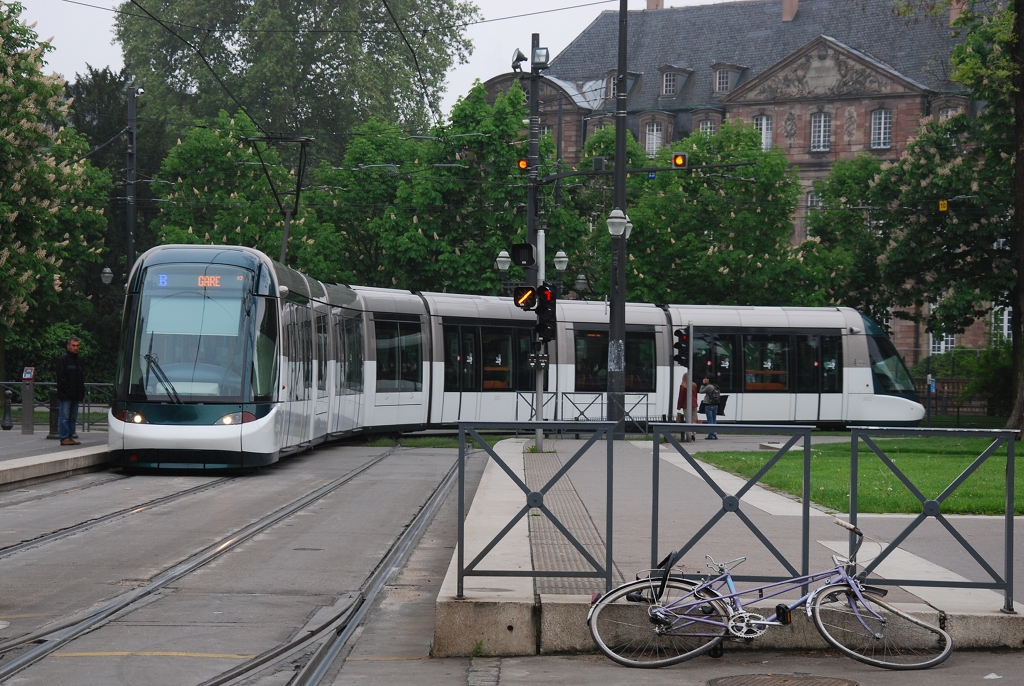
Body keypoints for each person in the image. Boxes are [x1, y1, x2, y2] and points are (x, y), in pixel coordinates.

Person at [56, 337, 85, 446]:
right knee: (64, 416)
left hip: (75, 394)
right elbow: (61, 378)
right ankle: (64, 437)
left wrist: (81, 392)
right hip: (66, 394)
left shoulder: (79, 361)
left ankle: (70, 436)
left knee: (72, 417)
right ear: (68, 346)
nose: (76, 348)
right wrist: (66, 390)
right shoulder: (62, 359)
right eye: (73, 345)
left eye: (77, 346)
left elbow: (81, 378)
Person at [700, 373, 719, 440]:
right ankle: (714, 434)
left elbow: (701, 391)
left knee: (710, 420)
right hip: (715, 405)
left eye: (706, 378)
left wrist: (703, 384)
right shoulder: (716, 386)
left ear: (709, 379)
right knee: (714, 420)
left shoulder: (709, 386)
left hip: (709, 405)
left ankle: (711, 435)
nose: (705, 379)